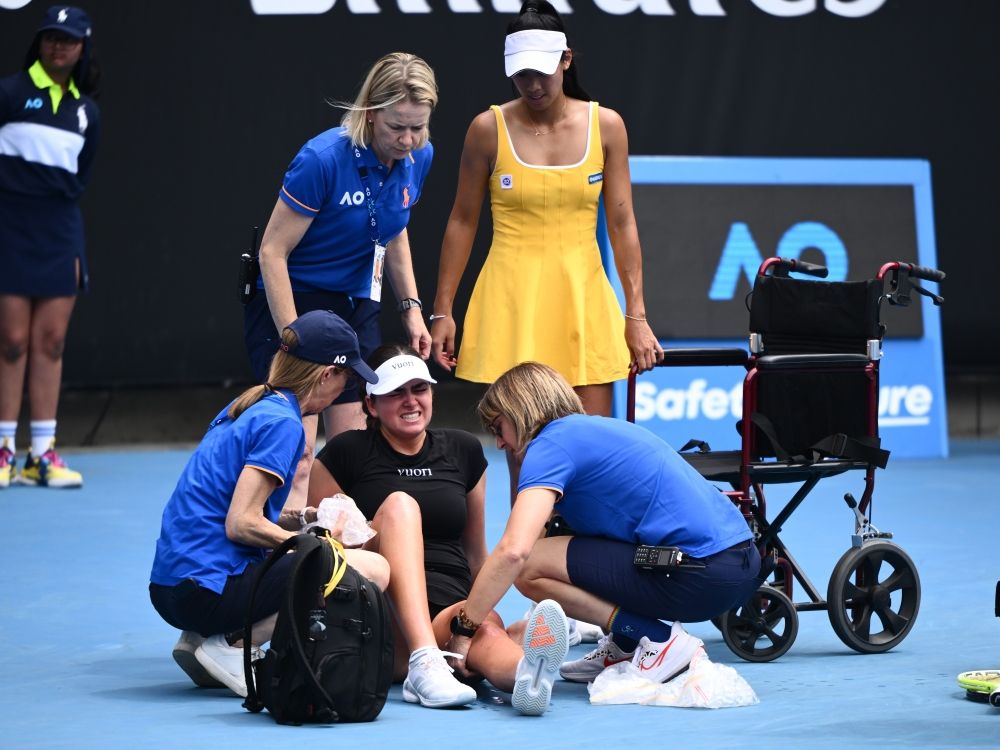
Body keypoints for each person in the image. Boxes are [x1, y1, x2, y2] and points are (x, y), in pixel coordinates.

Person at [445, 362, 761, 696]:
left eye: (499, 427)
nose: (499, 443)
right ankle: (625, 645)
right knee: (570, 548)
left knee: (528, 568)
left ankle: (654, 638)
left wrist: (465, 628)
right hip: (737, 566)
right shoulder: (593, 430)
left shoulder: (550, 446)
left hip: (700, 572)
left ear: (520, 412)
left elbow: (515, 551)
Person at [430, 0, 663, 420]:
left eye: (541, 70)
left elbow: (622, 223)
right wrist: (443, 310)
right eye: (521, 73)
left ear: (566, 59)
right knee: (525, 452)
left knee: (590, 449)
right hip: (512, 304)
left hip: (584, 302)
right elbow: (462, 221)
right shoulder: (487, 129)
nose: (532, 84)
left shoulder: (607, 126)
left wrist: (637, 316)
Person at [308, 345, 570, 715]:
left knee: (484, 631)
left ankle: (526, 674)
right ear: (371, 405)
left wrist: (478, 615)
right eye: (396, 392)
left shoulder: (463, 450)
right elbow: (322, 554)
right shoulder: (343, 453)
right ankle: (424, 660)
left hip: (450, 608)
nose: (410, 401)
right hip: (382, 619)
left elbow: (477, 555)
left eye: (419, 388)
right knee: (401, 506)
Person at [149, 311, 390, 698]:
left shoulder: (252, 404)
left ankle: (198, 639)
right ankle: (232, 644)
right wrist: (320, 547)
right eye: (348, 378)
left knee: (311, 546)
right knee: (370, 569)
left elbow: (233, 507)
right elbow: (241, 524)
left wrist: (303, 519)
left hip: (171, 588)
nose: (348, 388)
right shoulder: (284, 424)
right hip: (204, 591)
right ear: (327, 374)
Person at [246, 52, 438, 508]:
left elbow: (394, 227)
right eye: (397, 127)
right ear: (371, 113)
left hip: (356, 303)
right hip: (297, 299)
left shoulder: (418, 156)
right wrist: (296, 338)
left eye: (418, 127)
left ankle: (342, 564)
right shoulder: (322, 159)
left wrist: (411, 309)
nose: (408, 139)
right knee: (299, 452)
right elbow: (272, 252)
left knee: (352, 451)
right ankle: (282, 559)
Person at [0, 6, 101, 489]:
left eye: (69, 40)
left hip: (60, 232)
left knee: (51, 342)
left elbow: (78, 179)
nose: (59, 46)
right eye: (51, 38)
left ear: (82, 48)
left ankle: (42, 454)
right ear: (40, 42)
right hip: (10, 227)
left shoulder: (86, 111)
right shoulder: (8, 94)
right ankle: (4, 452)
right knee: (12, 341)